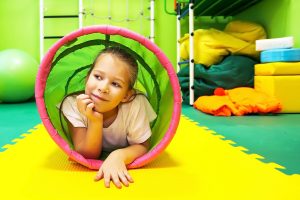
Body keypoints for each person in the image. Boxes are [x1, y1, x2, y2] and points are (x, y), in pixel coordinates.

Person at [59, 46, 157, 189]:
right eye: (98, 77)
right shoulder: (73, 104)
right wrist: (94, 121)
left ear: (126, 95)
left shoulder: (135, 104)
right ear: (87, 77)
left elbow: (143, 145)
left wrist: (119, 156)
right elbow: (87, 154)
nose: (103, 87)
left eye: (115, 84)